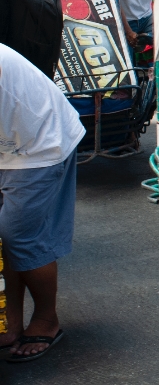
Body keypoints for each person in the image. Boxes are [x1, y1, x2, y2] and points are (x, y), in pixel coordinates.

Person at [0, 43, 85, 362]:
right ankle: (10, 324)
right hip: (8, 139)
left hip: (39, 141)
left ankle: (47, 319)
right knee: (5, 237)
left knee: (18, 234)